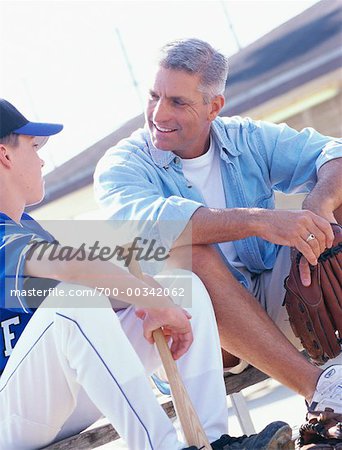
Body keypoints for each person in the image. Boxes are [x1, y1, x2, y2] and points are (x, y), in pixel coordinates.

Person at [0, 100, 293, 450]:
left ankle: (212, 441)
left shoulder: (28, 228)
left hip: (54, 398)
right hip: (10, 416)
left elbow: (89, 285)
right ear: (5, 155)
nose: (42, 159)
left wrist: (152, 294)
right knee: (71, 305)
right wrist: (148, 298)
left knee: (180, 287)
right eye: (33, 147)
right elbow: (70, 267)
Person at [94, 38, 342, 425]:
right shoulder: (123, 164)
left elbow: (334, 153)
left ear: (214, 107)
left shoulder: (244, 138)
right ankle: (321, 393)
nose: (159, 113)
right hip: (197, 332)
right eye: (154, 96)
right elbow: (150, 227)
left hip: (276, 302)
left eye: (178, 102)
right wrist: (261, 220)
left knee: (337, 199)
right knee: (186, 251)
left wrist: (317, 205)